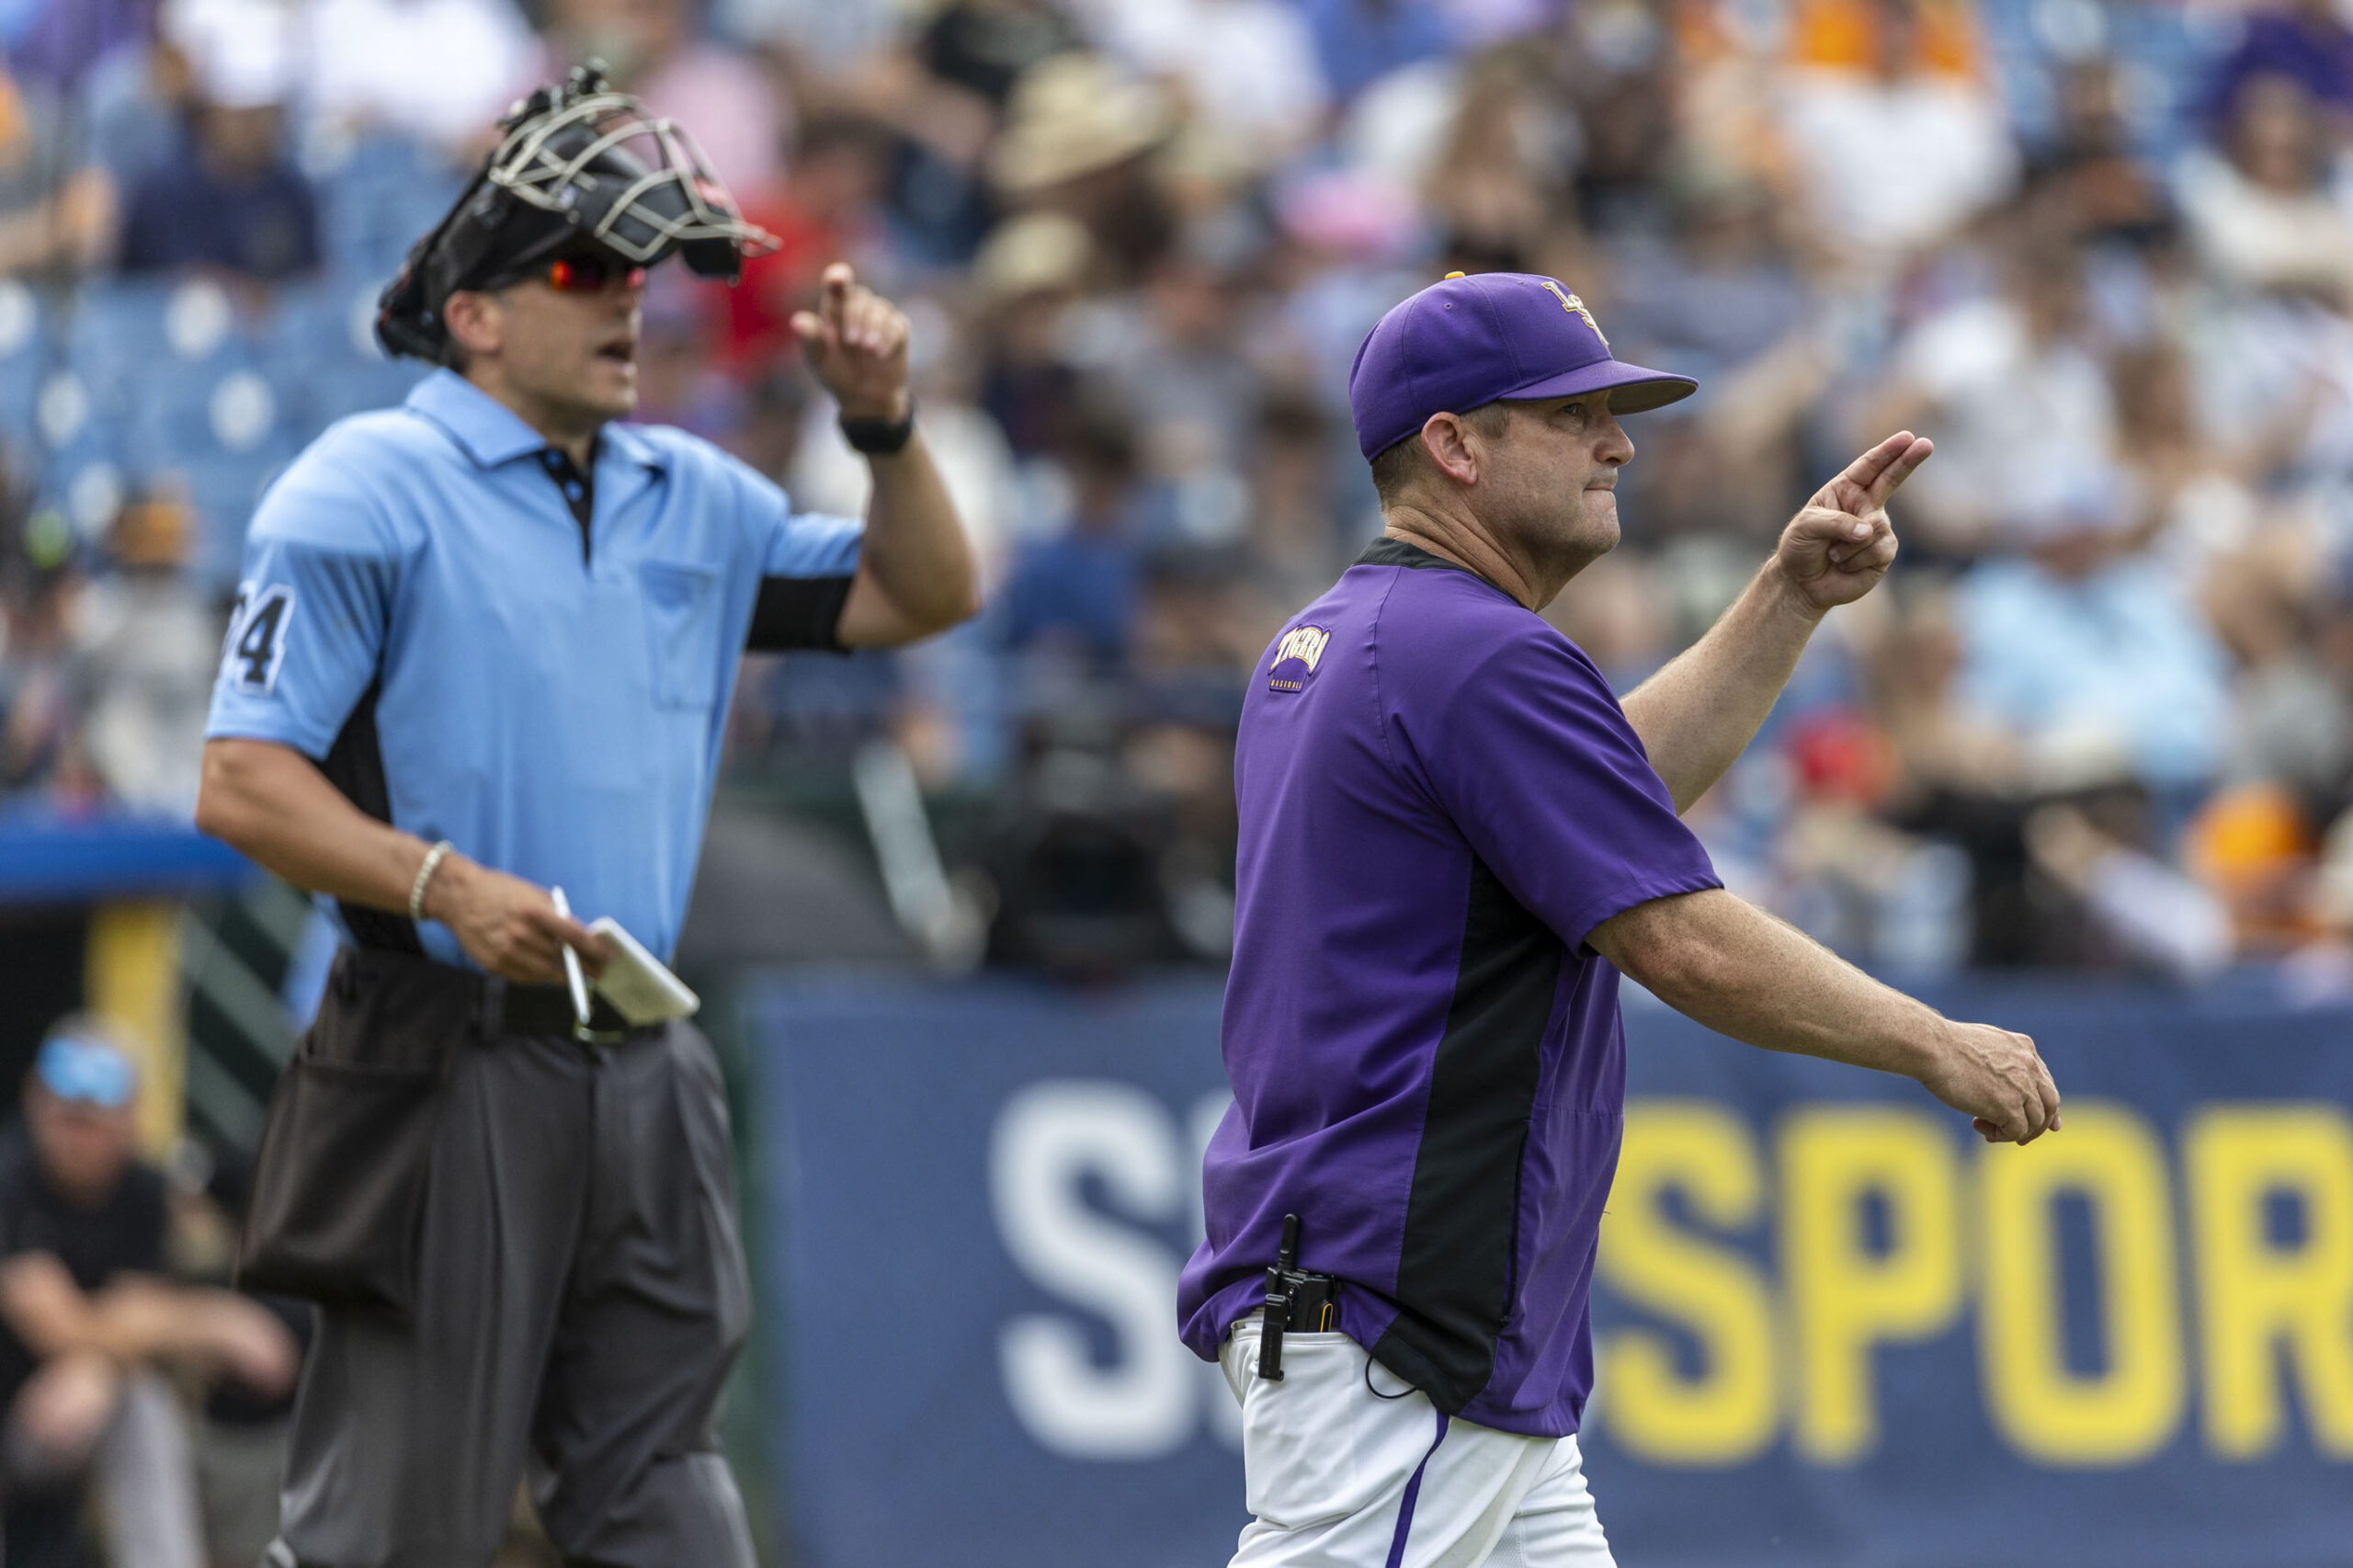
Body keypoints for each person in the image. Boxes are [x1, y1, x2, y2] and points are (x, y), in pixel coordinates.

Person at [191, 66, 976, 1568]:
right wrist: (439, 883)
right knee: (396, 1525)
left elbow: (924, 593)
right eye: (579, 271)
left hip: (644, 1048)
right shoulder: (364, 485)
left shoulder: (694, 489)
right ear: (474, 314)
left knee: (665, 1489)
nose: (626, 302)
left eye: (634, 273)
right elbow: (240, 778)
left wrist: (883, 430)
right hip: (442, 1038)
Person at [1176, 269, 2061, 1568]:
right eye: (1571, 413)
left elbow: (1602, 799)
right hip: (1402, 1310)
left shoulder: (1346, 637)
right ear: (1455, 446)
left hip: (1416, 1320)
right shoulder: (1472, 650)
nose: (1619, 443)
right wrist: (1931, 1037)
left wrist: (1786, 598)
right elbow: (1676, 932)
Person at [0, 1017, 300, 1568]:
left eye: (94, 1119)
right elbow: (53, 1321)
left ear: (129, 1119)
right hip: (21, 1420)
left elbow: (139, 1320)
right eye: (67, 1116)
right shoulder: (12, 1178)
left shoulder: (142, 1190)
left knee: (141, 1406)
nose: (78, 1135)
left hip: (72, 1415)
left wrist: (103, 1366)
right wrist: (217, 1320)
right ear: (35, 1103)